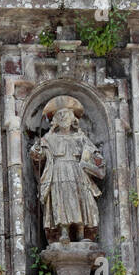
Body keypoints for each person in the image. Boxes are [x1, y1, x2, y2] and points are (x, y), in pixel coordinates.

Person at [30, 95, 105, 244]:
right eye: (60, 115)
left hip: (78, 173)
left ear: (73, 120)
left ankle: (81, 232)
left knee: (80, 200)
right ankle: (63, 232)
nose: (64, 118)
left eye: (67, 115)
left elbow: (94, 155)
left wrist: (96, 160)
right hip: (58, 173)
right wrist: (36, 151)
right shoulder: (49, 139)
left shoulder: (81, 138)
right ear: (55, 121)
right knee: (61, 201)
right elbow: (39, 156)